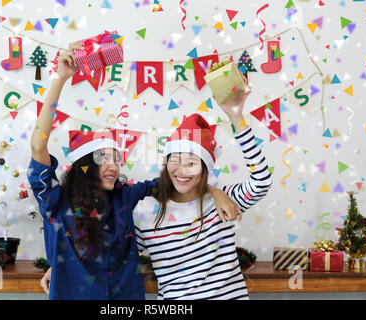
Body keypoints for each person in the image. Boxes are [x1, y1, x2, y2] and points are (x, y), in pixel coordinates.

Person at [29, 43, 241, 299]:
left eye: (116, 158)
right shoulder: (56, 202)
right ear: (84, 166)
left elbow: (176, 182)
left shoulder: (123, 196)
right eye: (103, 157)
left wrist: (215, 191)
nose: (114, 165)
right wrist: (60, 79)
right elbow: (38, 145)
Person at [133, 75, 273, 300]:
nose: (181, 170)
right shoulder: (145, 212)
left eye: (191, 162)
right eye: (175, 160)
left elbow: (261, 182)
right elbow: (113, 253)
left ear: (205, 167)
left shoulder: (225, 201)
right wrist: (55, 267)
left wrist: (236, 117)